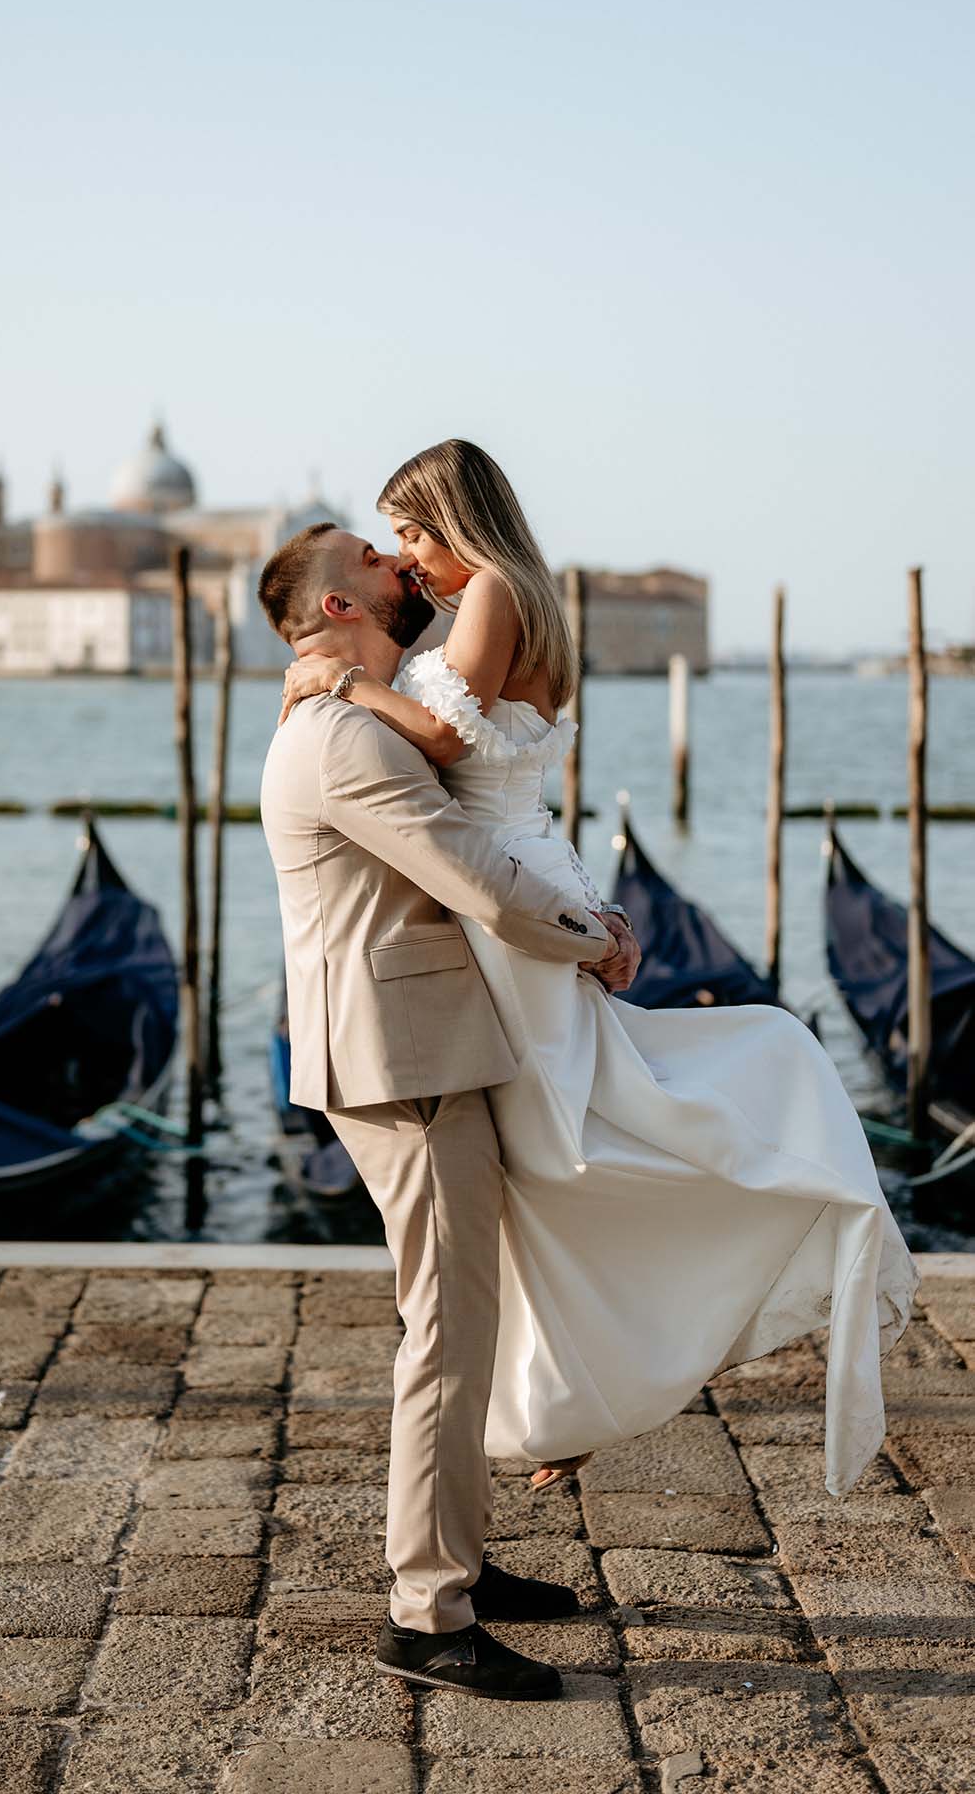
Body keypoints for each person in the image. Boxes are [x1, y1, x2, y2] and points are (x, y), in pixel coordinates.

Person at [278, 437, 917, 1514]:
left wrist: (339, 682)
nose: (409, 560)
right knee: (554, 1144)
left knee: (560, 1147)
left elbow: (438, 735)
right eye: (392, 544)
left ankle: (587, 1385)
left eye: (415, 534)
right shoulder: (519, 594)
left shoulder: (491, 594)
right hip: (530, 869)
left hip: (510, 894)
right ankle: (573, 1393)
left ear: (459, 522)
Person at [258, 521, 638, 1702]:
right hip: (403, 1062)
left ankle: (457, 1563)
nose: (397, 563)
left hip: (413, 1046)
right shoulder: (338, 741)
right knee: (445, 1331)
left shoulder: (347, 716)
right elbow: (469, 873)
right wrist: (596, 937)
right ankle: (426, 1614)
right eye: (370, 554)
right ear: (336, 607)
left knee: (461, 1316)